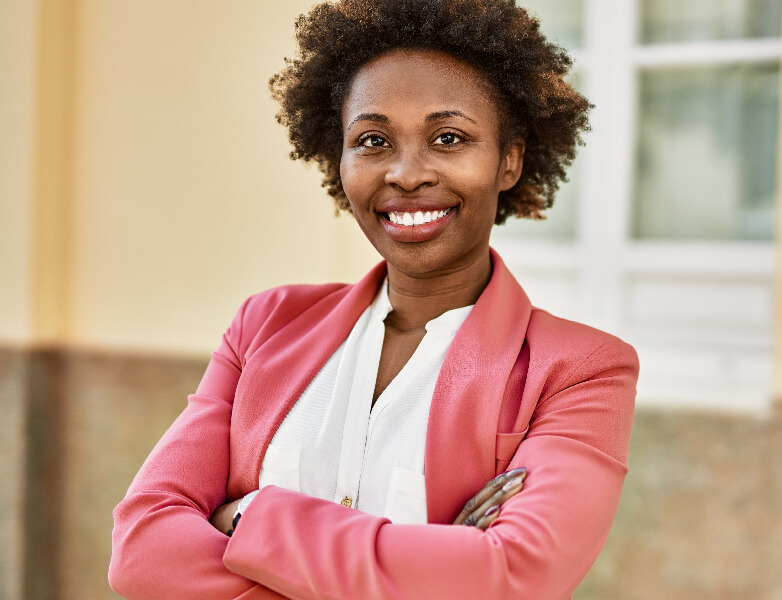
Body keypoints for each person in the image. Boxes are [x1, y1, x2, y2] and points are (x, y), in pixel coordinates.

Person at [108, 1, 638, 598]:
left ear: (508, 160)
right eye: (373, 140)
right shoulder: (265, 325)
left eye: (449, 137)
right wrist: (434, 566)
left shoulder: (577, 372)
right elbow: (143, 551)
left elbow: (514, 576)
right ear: (339, 158)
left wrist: (249, 515)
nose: (407, 174)